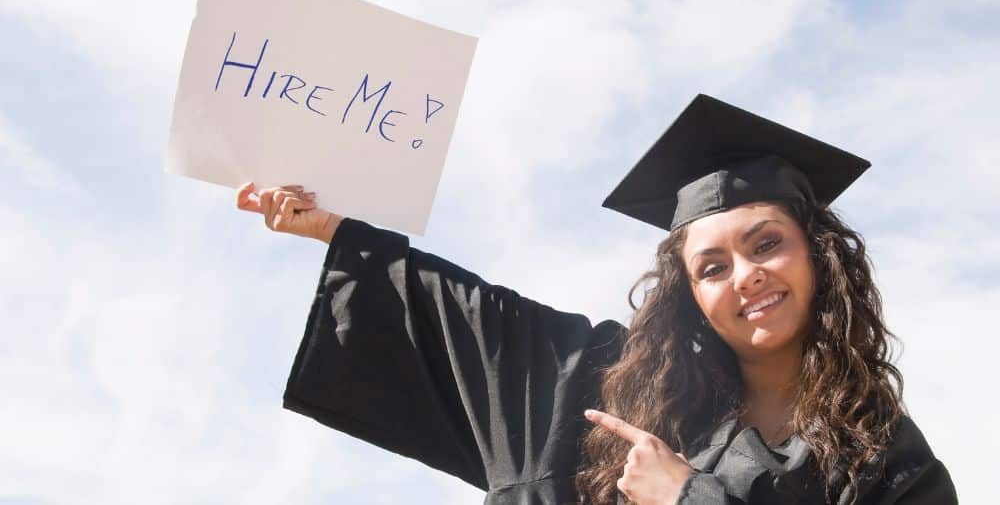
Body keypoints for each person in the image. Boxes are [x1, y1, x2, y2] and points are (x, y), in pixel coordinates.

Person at [236, 94, 958, 504]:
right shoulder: (618, 389)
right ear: (692, 296)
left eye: (766, 243)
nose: (745, 275)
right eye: (712, 266)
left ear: (817, 254)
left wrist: (686, 497)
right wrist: (330, 225)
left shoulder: (885, 456)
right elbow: (475, 322)